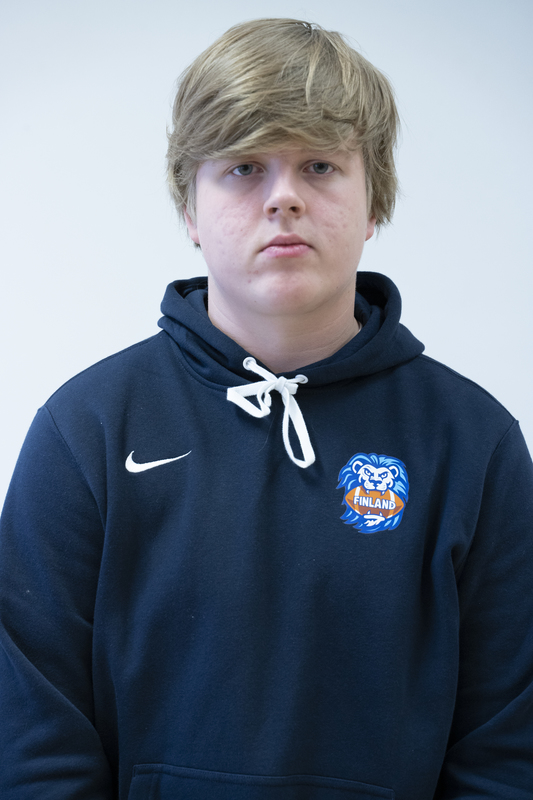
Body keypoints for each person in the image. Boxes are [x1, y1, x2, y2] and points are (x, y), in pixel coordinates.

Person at [0, 17, 532, 800]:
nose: (283, 197)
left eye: (319, 165)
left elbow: (505, 749)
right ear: (190, 209)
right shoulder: (87, 429)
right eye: (244, 167)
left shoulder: (472, 444)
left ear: (373, 200)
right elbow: (31, 738)